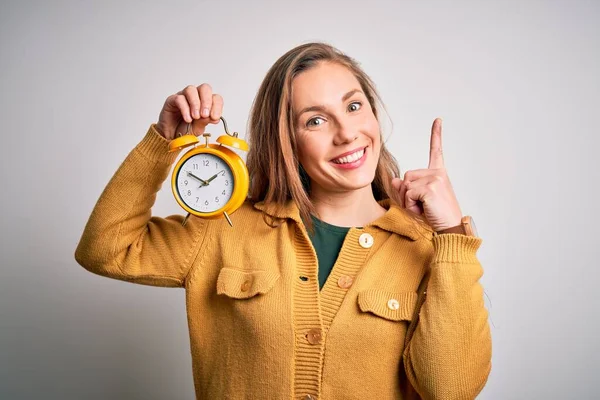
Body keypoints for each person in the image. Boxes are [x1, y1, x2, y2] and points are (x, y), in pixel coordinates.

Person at [75, 42, 491, 399]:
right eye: (315, 119)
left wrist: (452, 235)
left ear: (373, 114)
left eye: (353, 105)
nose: (346, 133)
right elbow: (105, 249)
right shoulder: (223, 229)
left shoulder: (429, 250)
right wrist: (164, 142)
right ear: (286, 140)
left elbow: (449, 390)